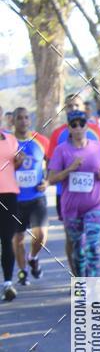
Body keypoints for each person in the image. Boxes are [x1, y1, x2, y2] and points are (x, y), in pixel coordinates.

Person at [47, 94, 100, 271]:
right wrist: (70, 169)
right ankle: (80, 282)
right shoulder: (61, 149)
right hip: (71, 206)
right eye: (74, 125)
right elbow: (51, 178)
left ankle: (93, 285)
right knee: (78, 250)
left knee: (92, 247)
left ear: (87, 125)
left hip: (96, 204)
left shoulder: (97, 146)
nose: (78, 127)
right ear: (69, 127)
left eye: (82, 124)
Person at [12, 107, 50, 285]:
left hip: (36, 197)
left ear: (30, 120)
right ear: (13, 121)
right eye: (19, 118)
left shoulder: (41, 141)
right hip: (14, 199)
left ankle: (33, 257)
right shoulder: (7, 142)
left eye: (26, 117)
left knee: (41, 234)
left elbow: (53, 163)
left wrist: (47, 181)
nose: (23, 121)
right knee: (18, 238)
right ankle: (23, 272)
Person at [0, 128, 24, 300]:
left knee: (7, 239)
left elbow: (15, 165)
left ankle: (8, 283)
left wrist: (19, 161)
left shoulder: (10, 139)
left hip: (9, 194)